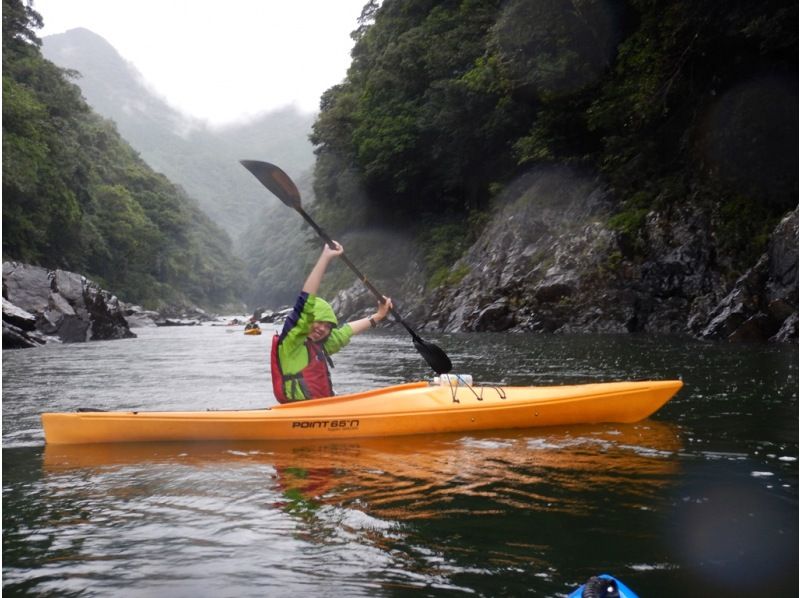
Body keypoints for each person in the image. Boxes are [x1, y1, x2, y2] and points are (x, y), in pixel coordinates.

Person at [270, 240, 392, 403]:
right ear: (307, 321)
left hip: (321, 409)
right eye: (319, 322)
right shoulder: (291, 343)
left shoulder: (319, 346)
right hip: (298, 412)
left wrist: (378, 316)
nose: (322, 329)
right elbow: (305, 302)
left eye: (327, 326)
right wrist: (325, 257)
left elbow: (344, 332)